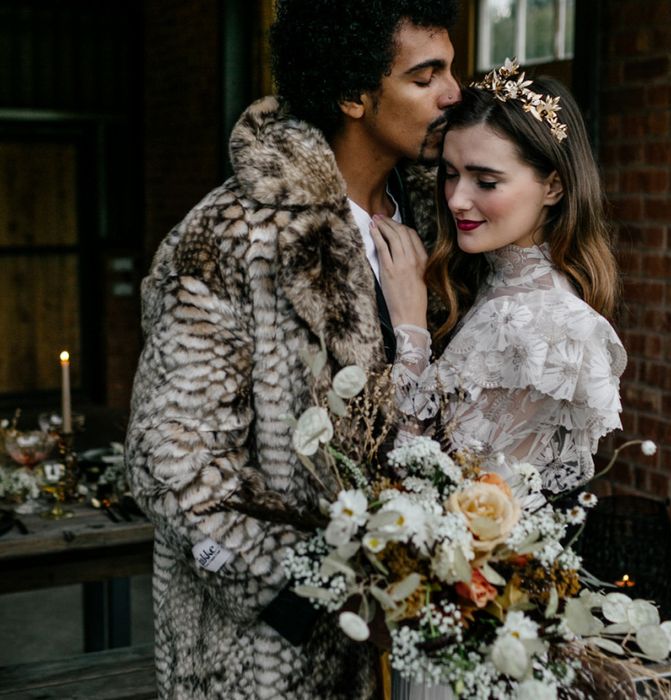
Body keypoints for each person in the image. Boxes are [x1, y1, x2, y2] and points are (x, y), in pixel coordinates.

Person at [124, 1, 460, 698]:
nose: (454, 93)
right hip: (270, 659)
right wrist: (301, 596)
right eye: (426, 75)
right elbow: (171, 459)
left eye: (451, 69)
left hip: (418, 643)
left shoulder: (445, 220)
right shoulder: (232, 236)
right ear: (353, 96)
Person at [372, 63, 627, 698]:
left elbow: (432, 487)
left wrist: (408, 328)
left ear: (553, 187)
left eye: (486, 180)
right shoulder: (496, 290)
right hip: (452, 615)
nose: (457, 199)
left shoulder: (548, 328)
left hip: (478, 634)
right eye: (451, 174)